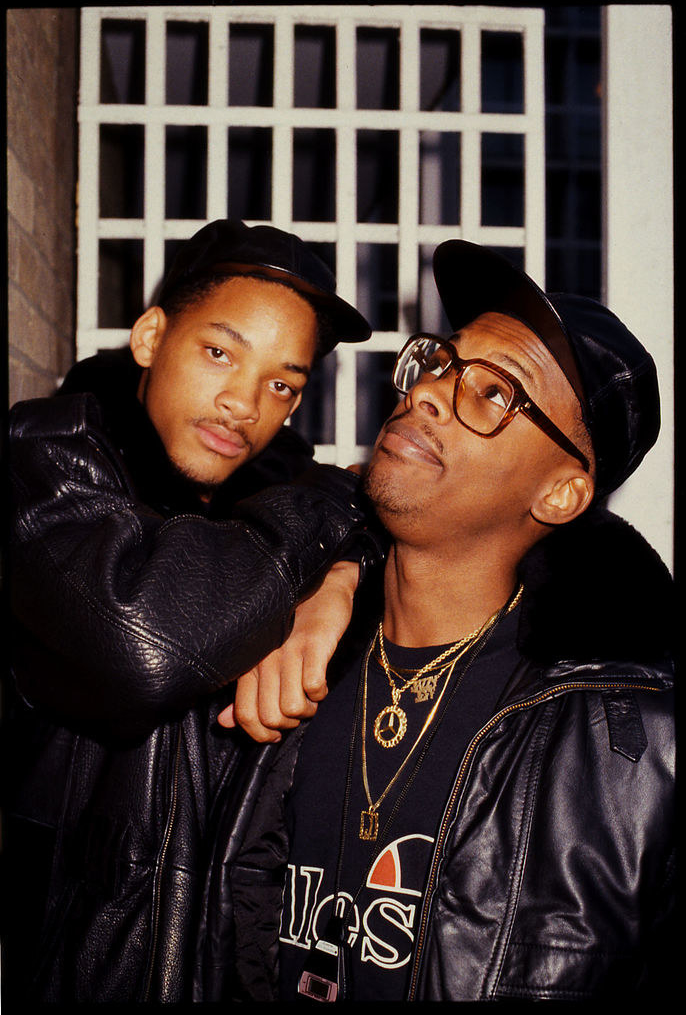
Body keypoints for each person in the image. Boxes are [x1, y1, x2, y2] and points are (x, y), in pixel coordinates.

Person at [194, 240, 675, 1003]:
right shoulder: (273, 630)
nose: (429, 391)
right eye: (442, 362)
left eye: (493, 393)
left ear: (559, 495)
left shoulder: (633, 746)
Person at [3, 219, 383, 1003]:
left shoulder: (285, 518)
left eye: (283, 383)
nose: (245, 403)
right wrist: (327, 532)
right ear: (149, 337)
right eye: (220, 352)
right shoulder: (43, 463)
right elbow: (149, 641)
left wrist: (340, 576)